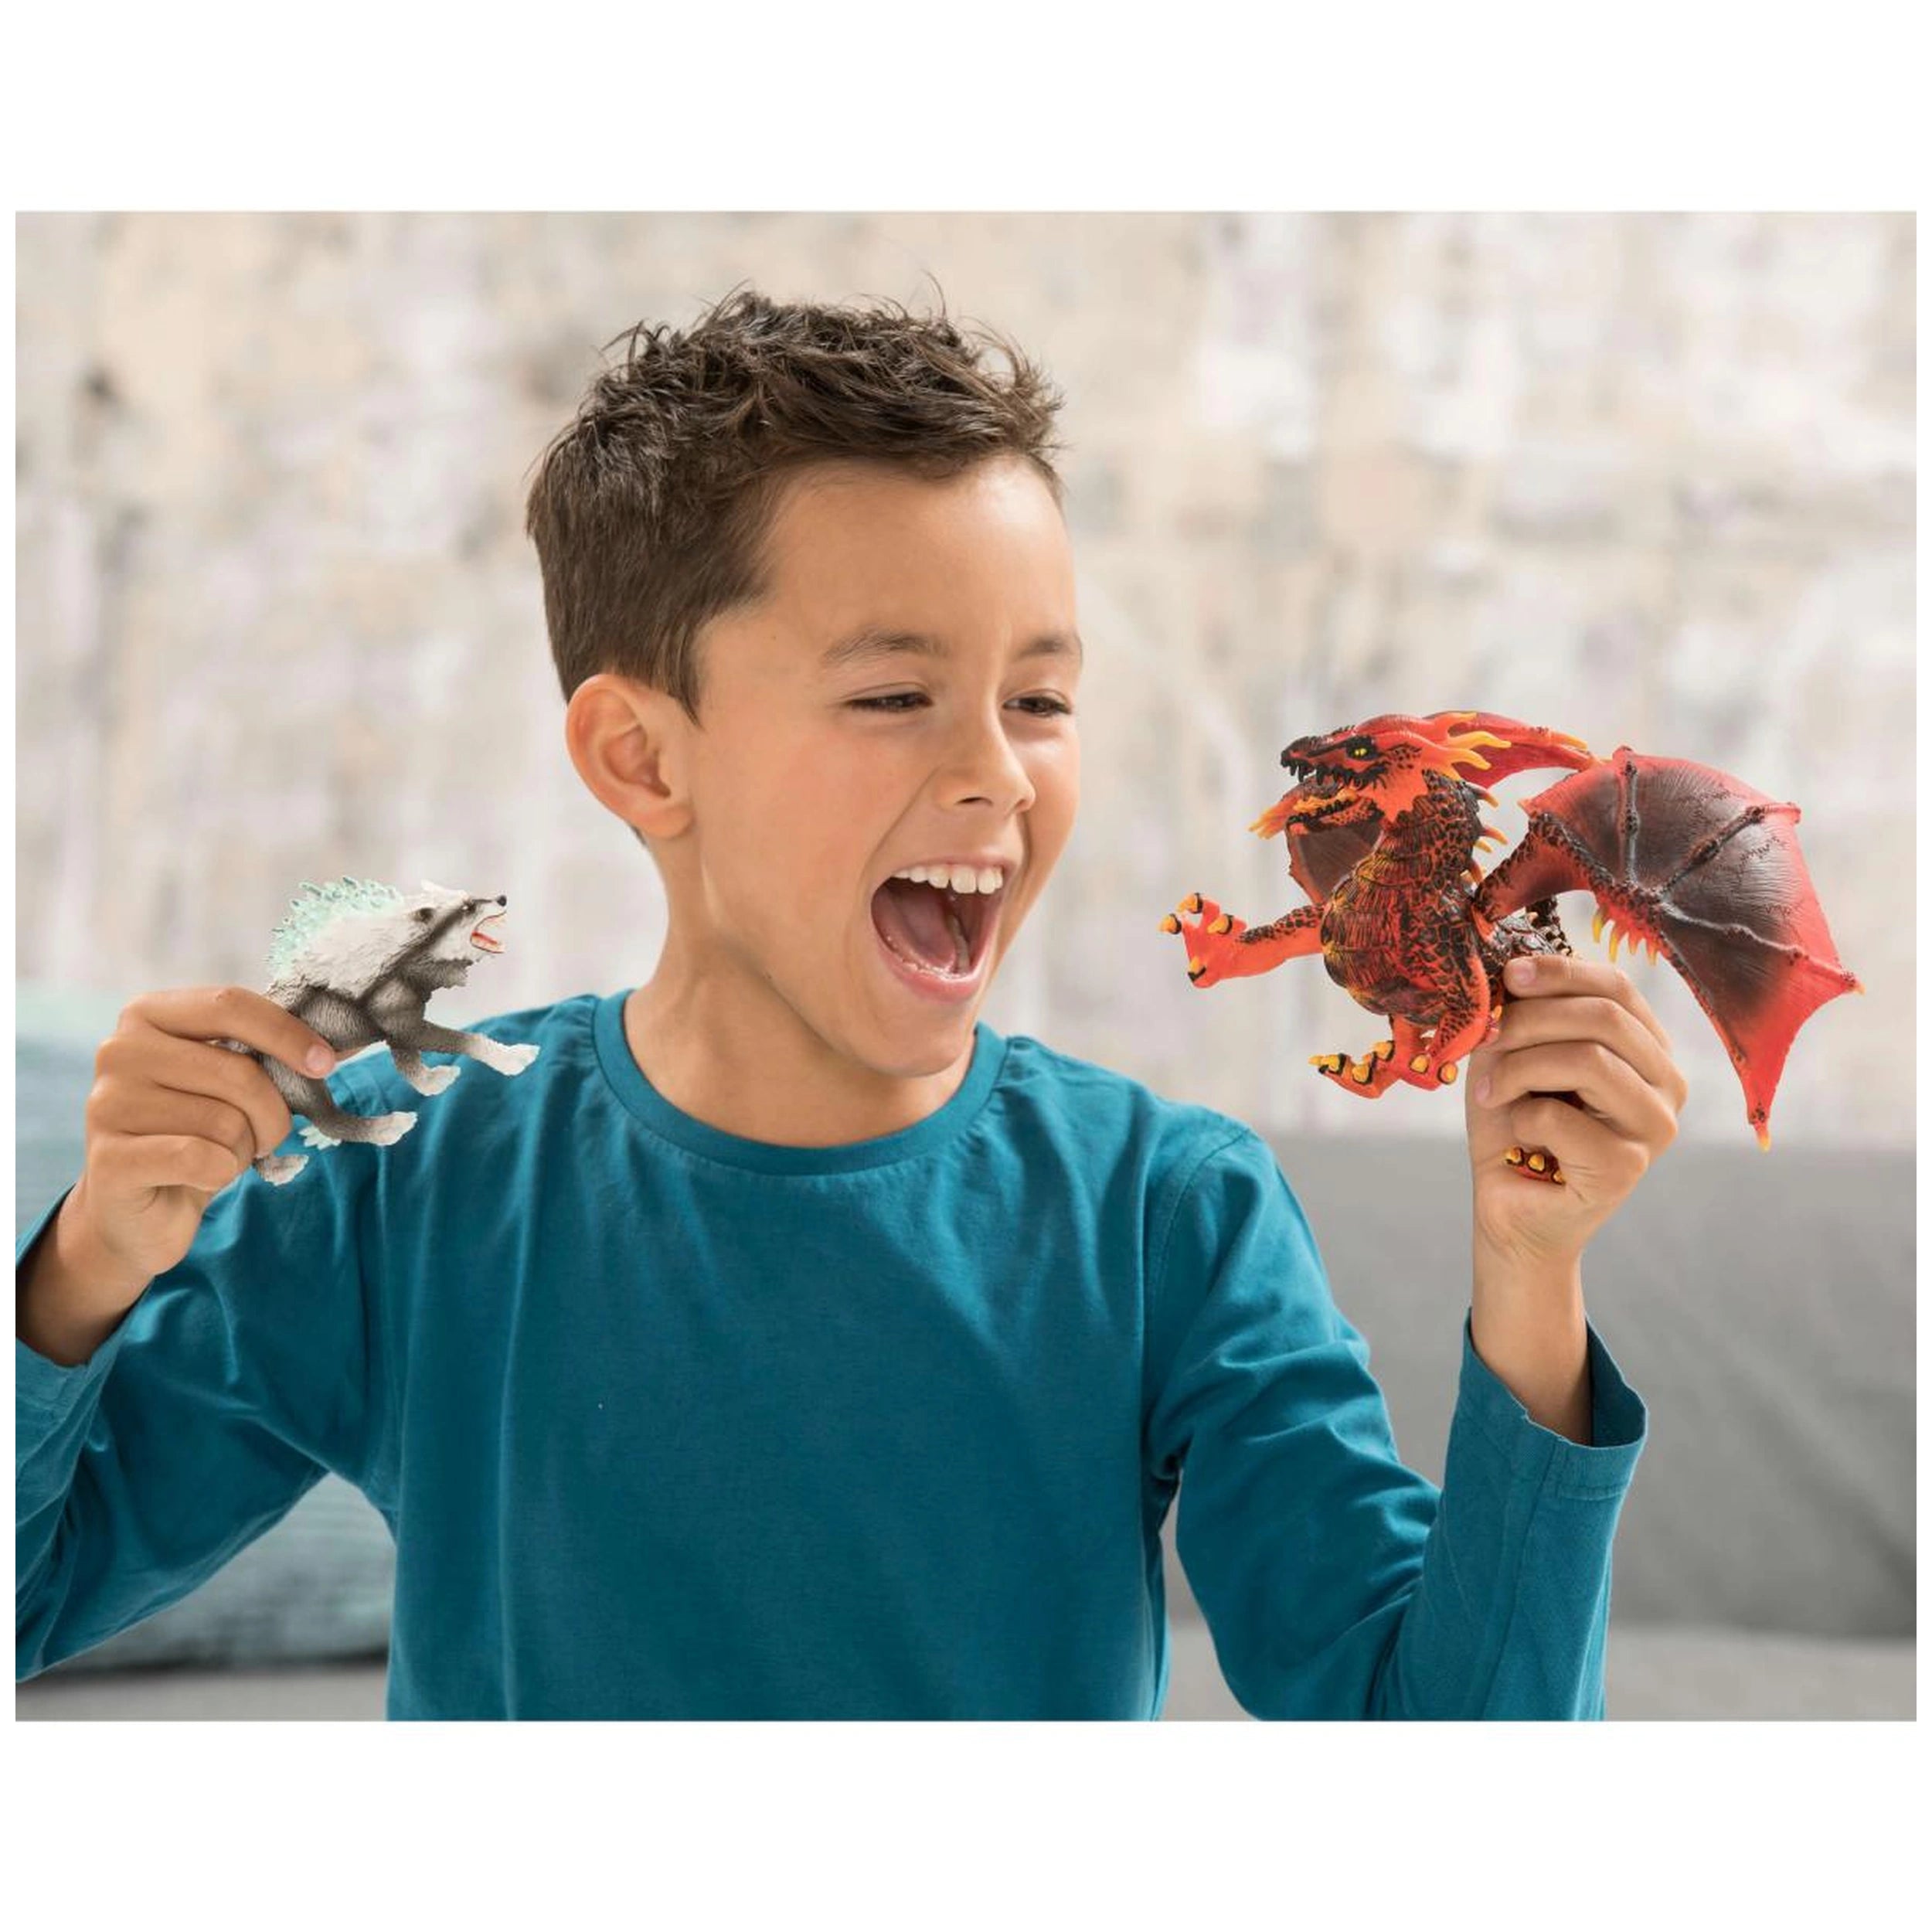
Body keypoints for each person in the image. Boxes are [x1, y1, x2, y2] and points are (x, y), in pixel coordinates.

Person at [15, 286, 1682, 1719]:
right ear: (640, 756)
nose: (997, 773)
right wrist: (84, 1266)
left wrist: (1531, 1282)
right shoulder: (407, 1177)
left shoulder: (1164, 1212)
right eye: (894, 694)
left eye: (1041, 698)